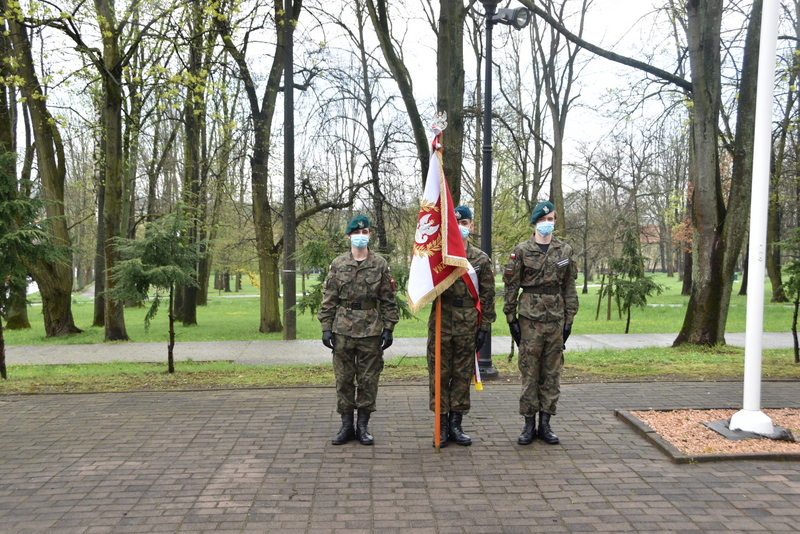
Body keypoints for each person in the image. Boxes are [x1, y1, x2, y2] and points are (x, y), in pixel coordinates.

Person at [318, 215, 399, 446]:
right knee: (343, 379)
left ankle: (363, 426)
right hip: (342, 330)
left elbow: (388, 299)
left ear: (370, 235)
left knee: (368, 379)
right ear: (348, 236)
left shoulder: (380, 264)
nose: (361, 237)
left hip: (371, 330)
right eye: (357, 233)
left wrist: (389, 327)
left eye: (365, 233)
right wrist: (326, 328)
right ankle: (346, 426)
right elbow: (329, 298)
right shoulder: (338, 264)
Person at [502, 201, 578, 445]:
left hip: (556, 317)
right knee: (530, 371)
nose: (549, 223)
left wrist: (570, 318)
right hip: (530, 318)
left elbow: (569, 285)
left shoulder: (564, 251)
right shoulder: (522, 250)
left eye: (552, 219)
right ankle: (528, 424)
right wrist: (510, 317)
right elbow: (512, 285)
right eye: (544, 220)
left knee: (552, 372)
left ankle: (546, 424)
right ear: (535, 222)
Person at [426, 206, 496, 447]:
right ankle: (442, 425)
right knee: (440, 374)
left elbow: (487, 296)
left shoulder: (480, 259)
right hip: (442, 319)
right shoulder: (439, 256)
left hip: (468, 322)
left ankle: (456, 424)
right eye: (456, 224)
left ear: (472, 226)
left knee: (462, 374)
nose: (461, 228)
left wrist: (484, 327)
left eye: (465, 223)